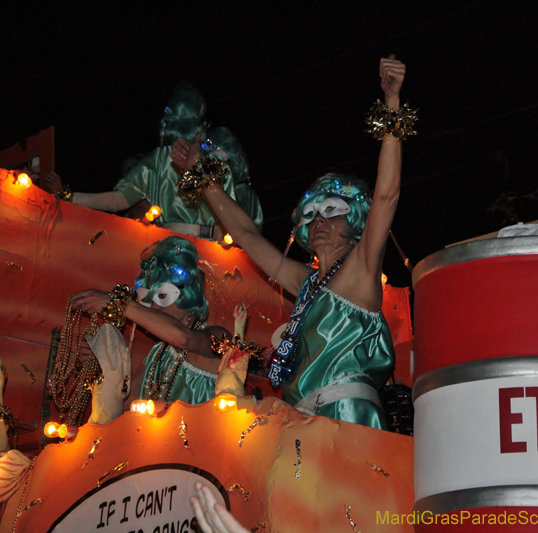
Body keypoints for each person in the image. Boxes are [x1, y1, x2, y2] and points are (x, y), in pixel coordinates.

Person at [171, 56, 409, 429]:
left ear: (355, 223)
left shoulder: (361, 270)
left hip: (348, 417)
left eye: (332, 210)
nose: (319, 220)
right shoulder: (306, 284)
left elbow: (386, 197)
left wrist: (392, 104)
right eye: (311, 214)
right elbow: (247, 236)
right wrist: (201, 177)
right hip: (303, 421)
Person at [45, 84, 263, 240]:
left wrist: (69, 196)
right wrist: (68, 196)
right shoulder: (162, 160)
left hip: (207, 252)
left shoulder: (211, 160)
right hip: (183, 249)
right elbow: (120, 200)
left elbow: (117, 200)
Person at [71, 236, 228, 404]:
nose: (154, 307)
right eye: (148, 299)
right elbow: (124, 407)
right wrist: (101, 368)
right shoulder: (158, 354)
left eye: (162, 296)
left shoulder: (218, 335)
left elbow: (184, 338)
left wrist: (121, 304)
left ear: (187, 299)